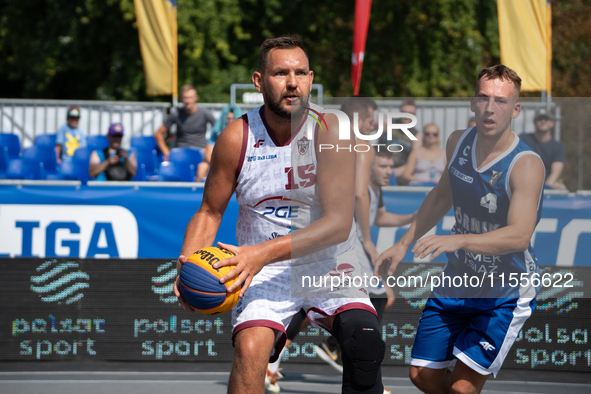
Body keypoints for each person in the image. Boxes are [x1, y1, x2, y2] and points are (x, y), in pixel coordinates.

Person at [174, 36, 384, 394]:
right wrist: (187, 264)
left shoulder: (330, 129)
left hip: (327, 263)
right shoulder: (235, 138)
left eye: (300, 73)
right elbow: (209, 212)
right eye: (281, 73)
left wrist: (256, 255)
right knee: (250, 349)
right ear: (259, 81)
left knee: (363, 341)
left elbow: (336, 224)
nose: (292, 82)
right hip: (264, 270)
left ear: (311, 78)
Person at [374, 65, 545, 394]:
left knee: (463, 387)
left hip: (505, 290)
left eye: (501, 101)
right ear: (472, 103)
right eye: (483, 99)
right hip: (459, 278)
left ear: (516, 109)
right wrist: (403, 244)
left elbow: (519, 235)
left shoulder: (525, 164)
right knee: (421, 375)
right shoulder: (457, 142)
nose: (490, 108)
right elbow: (441, 196)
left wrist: (458, 239)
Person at [153, 84, 216, 179]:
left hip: (200, 152)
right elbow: (158, 133)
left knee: (204, 167)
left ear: (195, 98)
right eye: (185, 98)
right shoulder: (176, 114)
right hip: (180, 153)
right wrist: (167, 153)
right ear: (181, 99)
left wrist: (209, 148)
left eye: (190, 97)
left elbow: (219, 132)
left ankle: (196, 192)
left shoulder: (205, 113)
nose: (188, 101)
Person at [519, 109, 566, 189]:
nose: (543, 121)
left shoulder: (558, 147)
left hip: (548, 184)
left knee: (561, 189)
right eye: (540, 119)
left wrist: (545, 188)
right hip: (523, 182)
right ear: (534, 122)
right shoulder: (523, 140)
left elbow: (555, 173)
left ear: (551, 123)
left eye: (546, 119)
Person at [379, 98, 421, 180]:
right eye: (404, 113)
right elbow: (367, 127)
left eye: (411, 114)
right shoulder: (388, 122)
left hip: (399, 175)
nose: (407, 116)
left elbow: (414, 161)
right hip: (379, 169)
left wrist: (393, 173)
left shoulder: (417, 135)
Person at [200, 104, 243, 181]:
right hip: (217, 166)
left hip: (237, 167)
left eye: (233, 118)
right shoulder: (215, 134)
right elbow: (208, 156)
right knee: (202, 166)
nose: (230, 121)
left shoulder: (245, 135)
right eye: (228, 118)